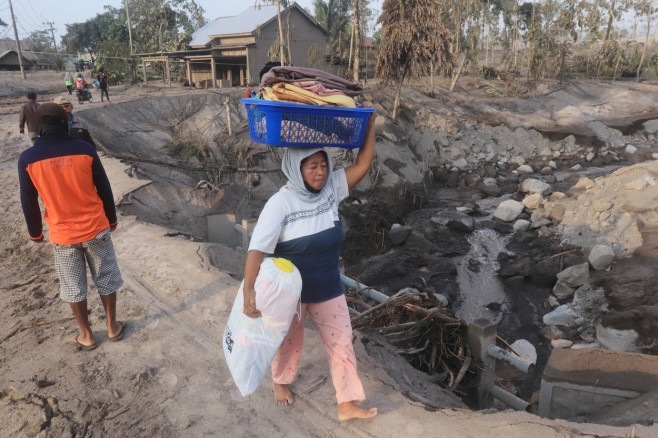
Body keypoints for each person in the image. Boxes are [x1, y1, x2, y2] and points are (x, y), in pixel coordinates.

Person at [242, 104, 378, 421]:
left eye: (322, 164)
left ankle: (347, 402)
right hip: (292, 291)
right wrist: (249, 289)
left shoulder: (331, 188)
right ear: (296, 168)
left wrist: (370, 127)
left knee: (342, 340)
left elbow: (364, 162)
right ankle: (280, 381)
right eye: (311, 167)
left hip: (328, 285)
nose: (319, 172)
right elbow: (256, 250)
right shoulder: (281, 203)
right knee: (289, 340)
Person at [17, 103, 126, 351]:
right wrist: (112, 220)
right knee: (107, 278)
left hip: (62, 235)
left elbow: (28, 201)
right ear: (66, 122)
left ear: (38, 127)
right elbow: (104, 187)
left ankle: (86, 335)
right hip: (96, 228)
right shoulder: (84, 149)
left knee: (73, 286)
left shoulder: (27, 159)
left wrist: (35, 233)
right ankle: (112, 327)